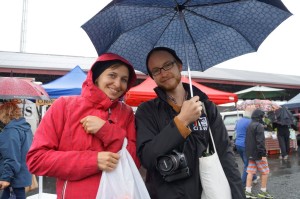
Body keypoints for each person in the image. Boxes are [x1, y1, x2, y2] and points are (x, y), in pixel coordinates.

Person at [135, 47, 245, 199]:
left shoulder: (207, 107)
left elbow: (225, 156)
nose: (164, 73)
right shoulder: (147, 111)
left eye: (168, 65)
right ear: (152, 77)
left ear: (179, 65)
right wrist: (182, 121)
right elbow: (147, 157)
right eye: (156, 70)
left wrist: (238, 195)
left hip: (207, 192)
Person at [26, 53, 140, 199]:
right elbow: (37, 160)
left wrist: (107, 132)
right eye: (112, 75)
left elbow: (134, 162)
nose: (118, 84)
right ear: (97, 76)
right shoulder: (64, 106)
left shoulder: (127, 113)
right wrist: (93, 161)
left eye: (124, 79)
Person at [0, 102, 33, 199]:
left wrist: (6, 178)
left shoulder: (10, 131)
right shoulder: (25, 128)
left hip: (12, 179)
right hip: (21, 176)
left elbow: (11, 157)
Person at [245, 109, 273, 199]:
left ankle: (248, 191)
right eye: (262, 116)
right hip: (258, 154)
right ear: (259, 117)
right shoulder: (259, 126)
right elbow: (260, 141)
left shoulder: (249, 125)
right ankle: (263, 192)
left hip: (250, 153)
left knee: (250, 172)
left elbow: (247, 141)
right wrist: (263, 155)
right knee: (265, 172)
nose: (263, 118)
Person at [235, 106, 259, 187]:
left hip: (238, 144)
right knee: (248, 165)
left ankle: (254, 178)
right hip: (246, 145)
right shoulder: (250, 122)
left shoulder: (239, 121)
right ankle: (243, 184)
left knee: (247, 163)